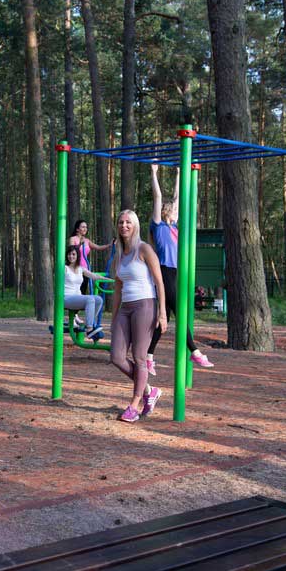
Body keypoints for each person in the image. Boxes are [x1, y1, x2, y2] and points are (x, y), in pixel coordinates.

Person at [147, 163, 213, 372]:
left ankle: (148, 356)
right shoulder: (158, 226)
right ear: (166, 212)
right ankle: (195, 351)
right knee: (179, 312)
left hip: (176, 273)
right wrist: (154, 173)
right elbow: (158, 197)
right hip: (164, 271)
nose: (177, 211)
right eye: (174, 210)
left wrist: (178, 174)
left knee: (164, 319)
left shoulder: (175, 228)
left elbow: (177, 197)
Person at [110, 210, 168, 423]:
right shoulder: (119, 253)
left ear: (135, 225)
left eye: (128, 222)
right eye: (121, 222)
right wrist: (114, 317)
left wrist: (162, 312)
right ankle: (150, 391)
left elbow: (159, 282)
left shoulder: (144, 249)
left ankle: (135, 405)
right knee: (116, 357)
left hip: (145, 305)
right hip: (125, 308)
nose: (124, 225)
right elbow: (118, 288)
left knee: (140, 357)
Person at [64, 244, 109, 339]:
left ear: (77, 256)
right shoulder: (64, 268)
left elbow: (94, 276)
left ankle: (91, 323)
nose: (71, 256)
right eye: (69, 254)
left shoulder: (81, 269)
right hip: (66, 298)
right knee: (90, 299)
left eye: (73, 254)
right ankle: (89, 329)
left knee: (99, 299)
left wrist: (108, 279)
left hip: (77, 297)